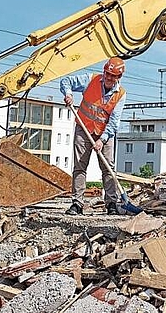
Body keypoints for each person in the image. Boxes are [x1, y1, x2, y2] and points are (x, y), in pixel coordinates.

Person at [61, 57, 127, 216]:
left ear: (119, 78)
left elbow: (114, 122)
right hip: (83, 130)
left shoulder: (121, 95)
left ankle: (111, 203)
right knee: (80, 166)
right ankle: (77, 203)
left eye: (113, 76)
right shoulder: (91, 80)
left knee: (108, 168)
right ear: (104, 71)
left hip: (105, 133)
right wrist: (69, 94)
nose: (109, 78)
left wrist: (102, 140)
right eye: (107, 73)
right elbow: (66, 81)